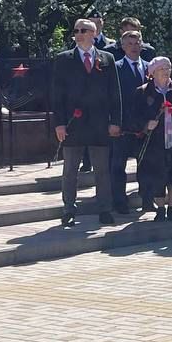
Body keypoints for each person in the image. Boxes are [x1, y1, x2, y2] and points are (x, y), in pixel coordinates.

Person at [51, 18, 122, 227]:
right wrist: (59, 123)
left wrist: (115, 121)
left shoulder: (106, 58)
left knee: (102, 170)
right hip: (73, 123)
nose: (79, 34)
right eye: (76, 31)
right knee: (70, 170)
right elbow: (57, 94)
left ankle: (105, 209)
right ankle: (69, 209)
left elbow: (114, 92)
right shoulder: (64, 59)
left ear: (94, 33)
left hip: (99, 123)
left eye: (83, 30)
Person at [131, 58, 172, 221]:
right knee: (157, 176)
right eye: (162, 68)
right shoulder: (143, 92)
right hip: (153, 143)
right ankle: (160, 209)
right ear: (153, 72)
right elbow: (134, 117)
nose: (166, 71)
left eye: (168, 68)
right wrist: (146, 125)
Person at [111, 29, 151, 215]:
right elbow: (112, 97)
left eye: (137, 43)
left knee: (146, 164)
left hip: (146, 127)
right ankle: (119, 202)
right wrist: (114, 122)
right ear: (123, 46)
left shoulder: (150, 67)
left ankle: (147, 198)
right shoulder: (116, 68)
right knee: (118, 166)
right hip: (123, 126)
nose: (134, 47)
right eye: (129, 44)